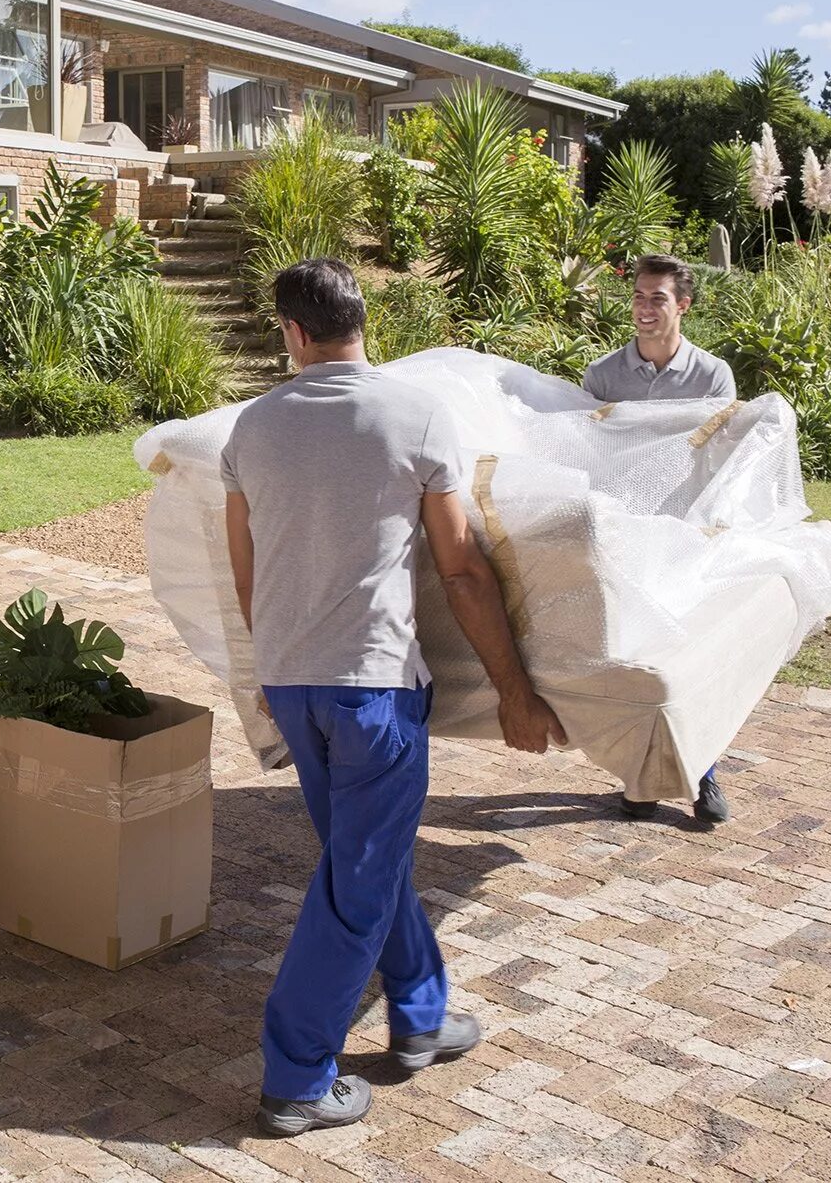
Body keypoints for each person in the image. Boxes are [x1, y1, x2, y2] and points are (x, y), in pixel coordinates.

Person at [223, 258, 568, 1138]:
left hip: (295, 682)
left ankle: (418, 1013)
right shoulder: (415, 414)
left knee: (366, 861)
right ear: (361, 323)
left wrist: (264, 674)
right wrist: (514, 691)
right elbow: (461, 569)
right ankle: (297, 1075)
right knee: (356, 884)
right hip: (372, 687)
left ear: (293, 333)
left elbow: (246, 570)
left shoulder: (250, 430)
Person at [581, 254, 736, 825]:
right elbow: (590, 453)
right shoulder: (603, 375)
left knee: (689, 652)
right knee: (637, 657)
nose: (645, 309)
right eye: (640, 297)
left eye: (658, 299)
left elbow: (714, 458)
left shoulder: (712, 376)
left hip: (683, 533)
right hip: (622, 534)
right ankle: (641, 781)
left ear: (683, 306)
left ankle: (704, 775)